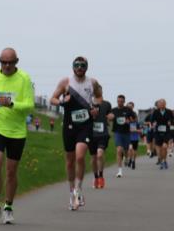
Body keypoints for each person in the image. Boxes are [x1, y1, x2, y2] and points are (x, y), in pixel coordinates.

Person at [0, 48, 35, 224]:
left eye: (11, 62)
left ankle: (8, 207)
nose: (7, 66)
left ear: (16, 62)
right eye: (3, 62)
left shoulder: (24, 79)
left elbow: (29, 105)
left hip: (17, 131)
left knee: (11, 171)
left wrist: (12, 104)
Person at [50, 56, 99, 210]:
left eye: (82, 65)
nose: (79, 68)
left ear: (86, 67)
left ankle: (78, 189)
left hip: (85, 124)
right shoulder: (66, 82)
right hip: (69, 124)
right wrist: (62, 101)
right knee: (70, 161)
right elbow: (52, 99)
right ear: (73, 67)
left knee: (80, 156)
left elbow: (99, 97)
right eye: (76, 65)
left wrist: (96, 108)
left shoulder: (92, 82)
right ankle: (72, 191)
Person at [89, 82, 112, 188]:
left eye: (99, 89)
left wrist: (111, 116)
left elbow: (110, 114)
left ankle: (101, 177)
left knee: (100, 154)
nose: (97, 91)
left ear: (101, 91)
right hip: (91, 134)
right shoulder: (88, 103)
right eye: (95, 90)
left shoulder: (107, 104)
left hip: (103, 134)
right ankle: (96, 177)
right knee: (93, 158)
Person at [110, 94, 136, 177]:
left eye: (121, 101)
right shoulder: (113, 110)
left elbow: (134, 119)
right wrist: (109, 118)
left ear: (124, 102)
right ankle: (119, 171)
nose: (119, 102)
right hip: (117, 132)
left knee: (126, 150)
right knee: (119, 150)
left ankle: (126, 158)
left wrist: (130, 121)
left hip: (126, 132)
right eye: (118, 101)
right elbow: (109, 118)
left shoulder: (128, 110)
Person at [150, 99, 174, 170]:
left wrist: (170, 122)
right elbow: (152, 120)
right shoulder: (156, 112)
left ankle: (164, 161)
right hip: (157, 132)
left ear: (165, 104)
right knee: (159, 149)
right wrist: (153, 123)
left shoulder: (169, 111)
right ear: (158, 105)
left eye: (163, 104)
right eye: (160, 104)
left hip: (166, 132)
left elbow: (173, 120)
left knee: (164, 147)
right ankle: (161, 160)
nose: (161, 105)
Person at [125, 101, 139, 169]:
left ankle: (133, 161)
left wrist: (131, 121)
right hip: (128, 135)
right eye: (128, 106)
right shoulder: (125, 113)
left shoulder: (134, 114)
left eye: (130, 106)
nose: (129, 108)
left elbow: (136, 121)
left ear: (133, 107)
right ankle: (130, 159)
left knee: (134, 150)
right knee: (130, 149)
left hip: (134, 136)